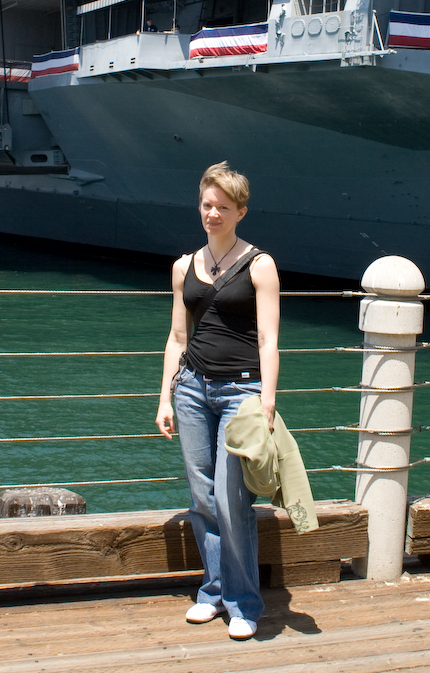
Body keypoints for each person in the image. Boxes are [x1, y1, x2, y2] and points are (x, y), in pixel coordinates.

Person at [156, 161, 281, 641]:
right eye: (207, 205)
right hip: (191, 388)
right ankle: (211, 592)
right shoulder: (183, 266)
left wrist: (267, 400)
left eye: (223, 208)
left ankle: (243, 602)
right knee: (202, 498)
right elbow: (176, 337)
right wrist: (165, 397)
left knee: (232, 501)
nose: (212, 214)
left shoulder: (259, 264)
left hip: (241, 392)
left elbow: (268, 339)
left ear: (241, 212)